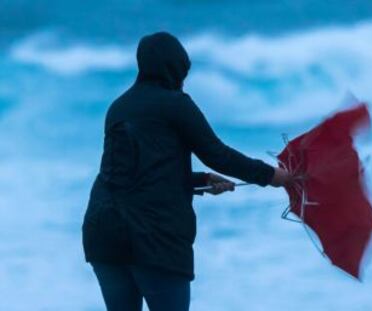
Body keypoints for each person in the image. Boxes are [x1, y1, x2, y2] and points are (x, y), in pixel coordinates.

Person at [82, 32, 293, 311]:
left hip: (104, 233)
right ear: (176, 67)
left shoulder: (118, 108)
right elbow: (218, 154)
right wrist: (271, 176)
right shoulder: (176, 104)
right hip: (153, 238)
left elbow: (128, 175)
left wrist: (202, 180)